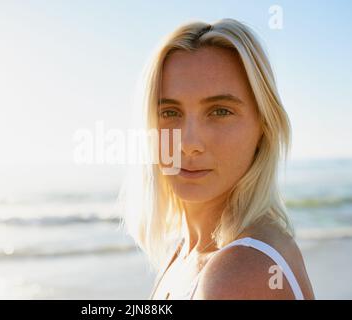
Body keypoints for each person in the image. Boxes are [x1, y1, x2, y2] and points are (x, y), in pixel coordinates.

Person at [119, 18, 315, 300]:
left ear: (264, 127)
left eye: (220, 111)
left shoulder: (239, 273)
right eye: (170, 113)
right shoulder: (183, 254)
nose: (189, 144)